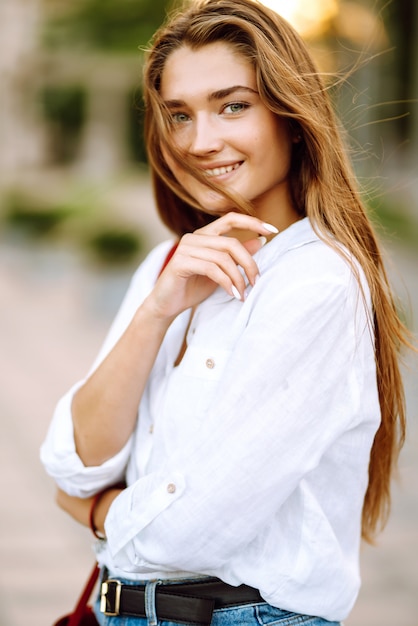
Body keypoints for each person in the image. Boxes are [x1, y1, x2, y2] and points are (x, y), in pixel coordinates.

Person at [41, 1, 410, 624]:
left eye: (232, 105)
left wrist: (100, 513)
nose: (200, 142)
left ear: (291, 118)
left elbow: (191, 529)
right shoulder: (169, 265)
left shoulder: (317, 282)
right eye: (179, 115)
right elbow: (74, 462)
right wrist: (157, 310)